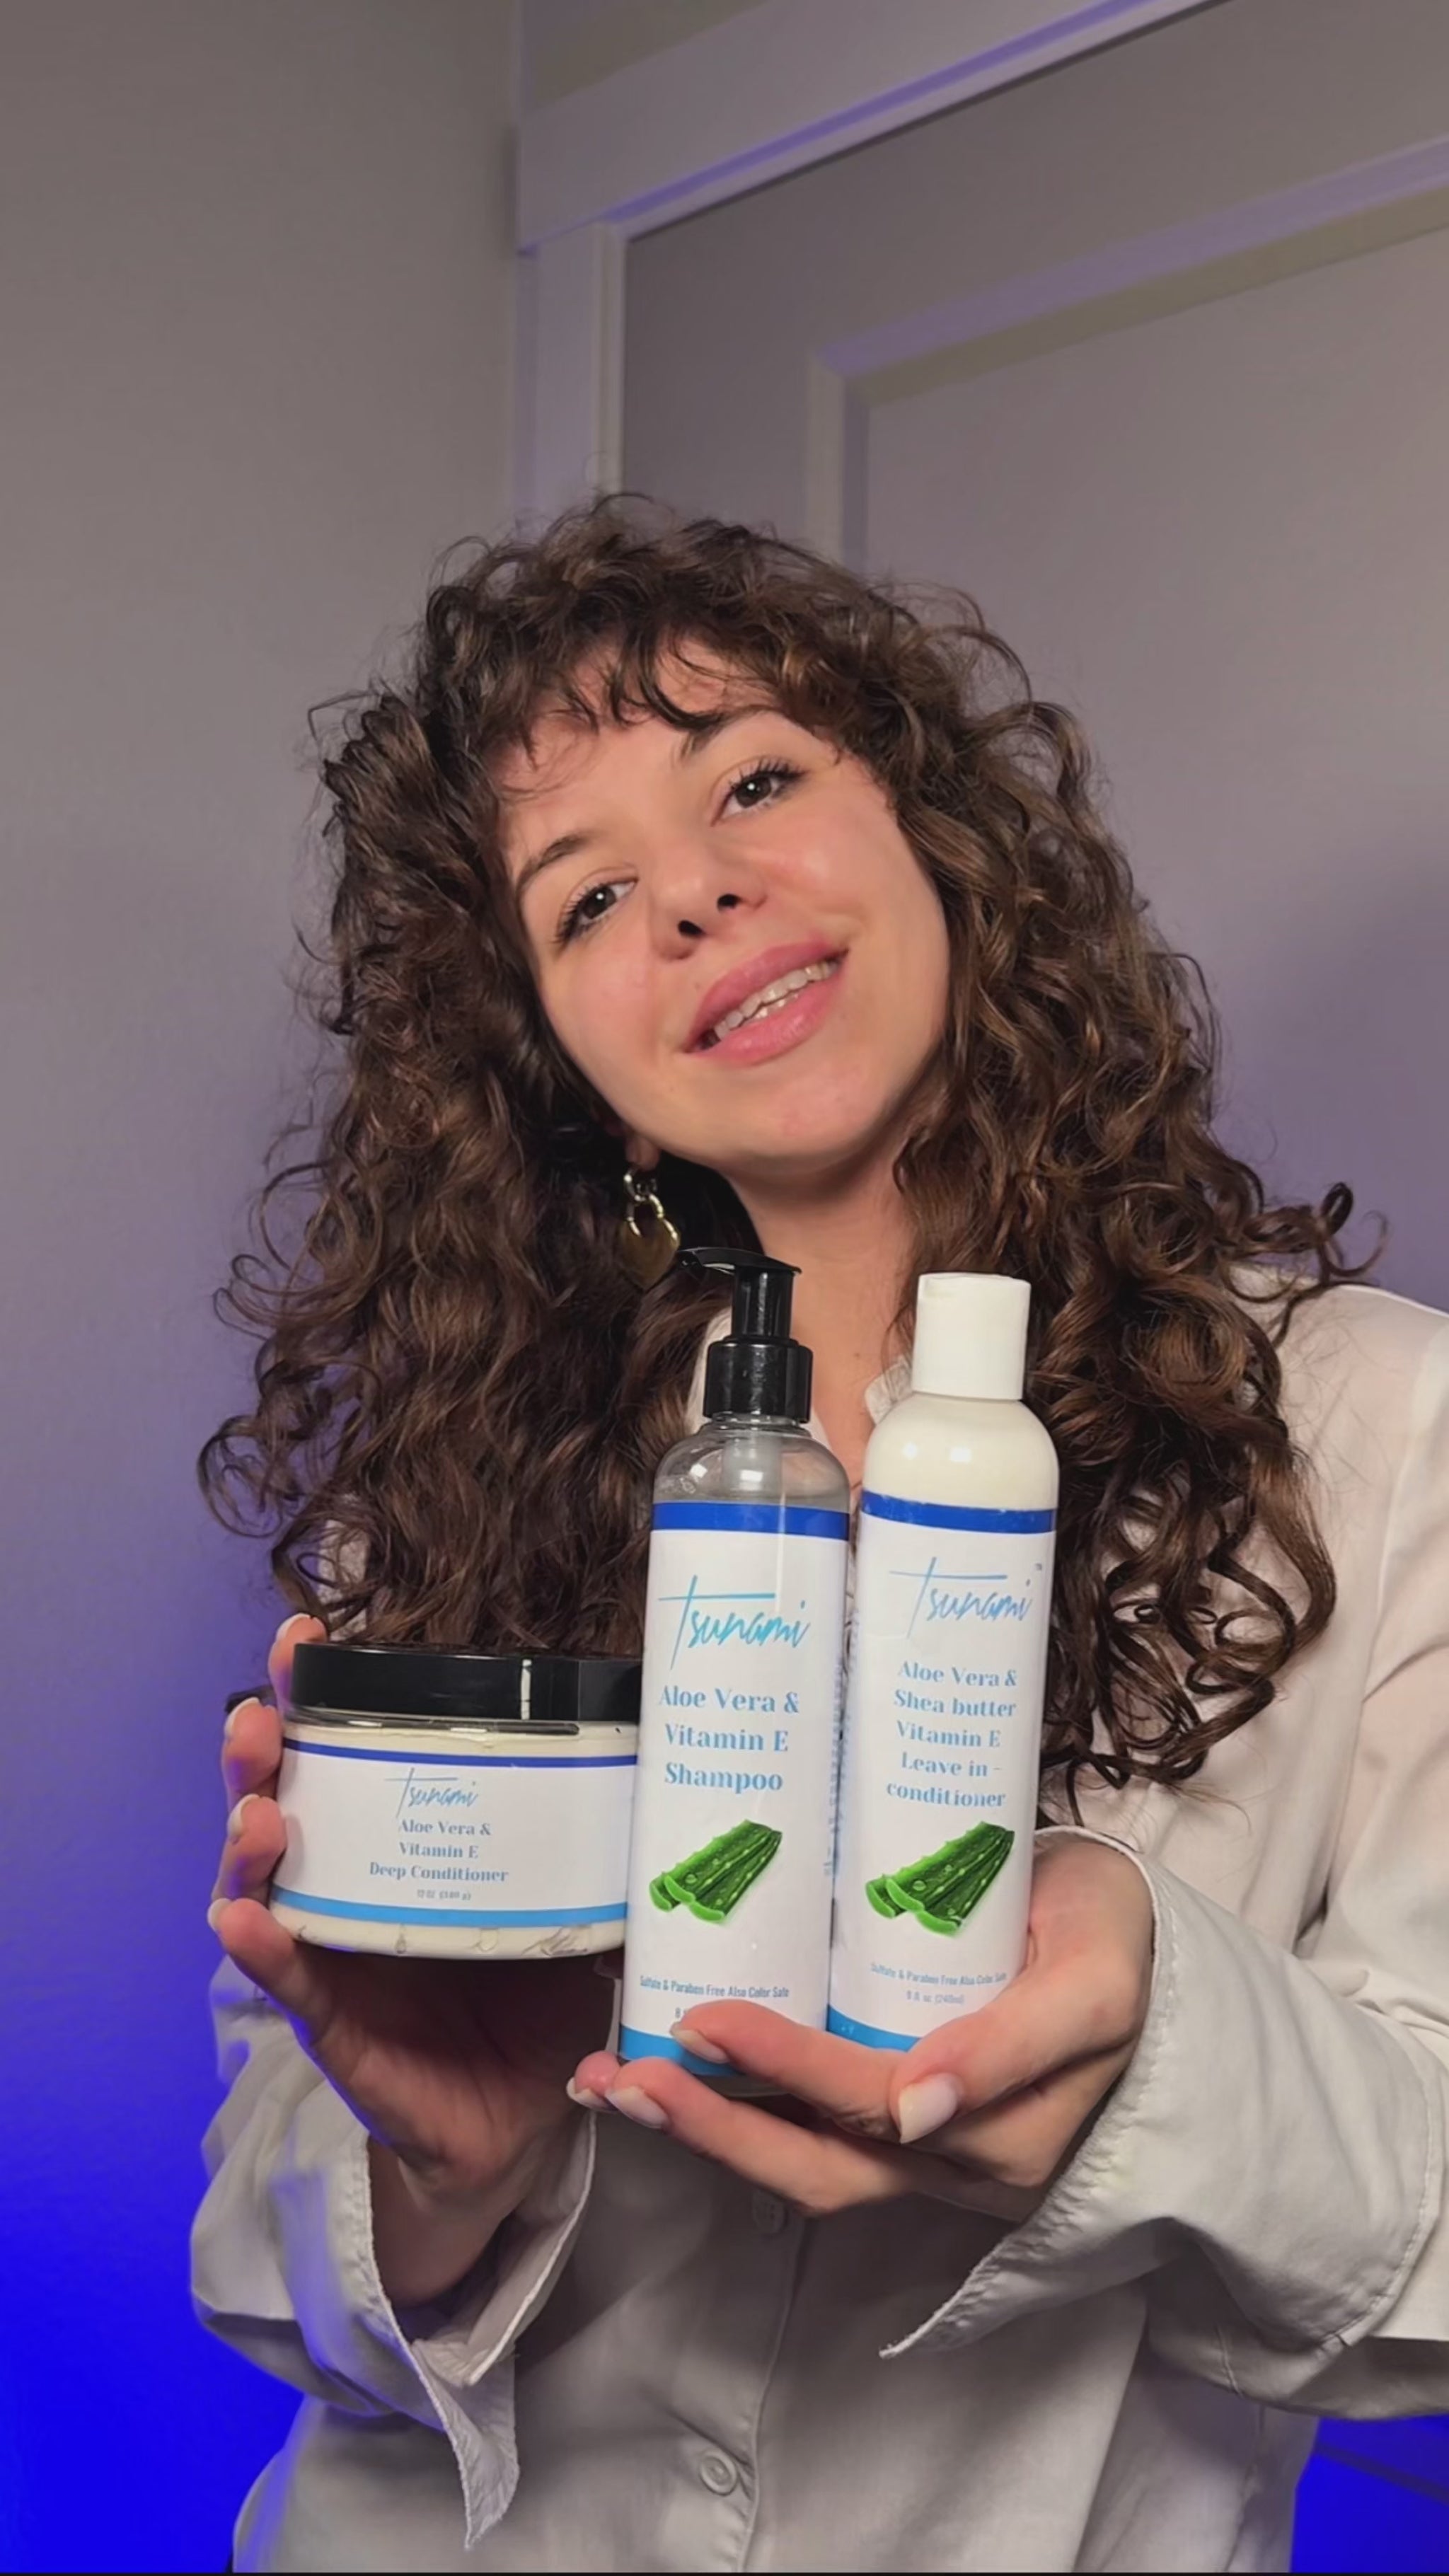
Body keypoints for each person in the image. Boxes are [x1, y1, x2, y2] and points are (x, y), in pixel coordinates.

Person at [195, 497, 1449, 2574]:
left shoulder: (1380, 1424)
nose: (698, 896)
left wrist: (1161, 2044)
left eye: (756, 781)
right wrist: (437, 2180)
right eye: (591, 897)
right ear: (564, 1058)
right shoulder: (453, 1469)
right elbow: (264, 2246)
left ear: (935, 831)